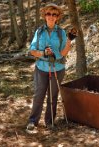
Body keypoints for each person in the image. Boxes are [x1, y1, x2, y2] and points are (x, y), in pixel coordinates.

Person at [26, 3, 77, 131]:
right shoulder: (39, 31)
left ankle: (49, 122)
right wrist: (43, 53)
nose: (51, 16)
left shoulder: (61, 33)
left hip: (57, 68)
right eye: (48, 14)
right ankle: (33, 121)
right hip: (41, 68)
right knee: (39, 95)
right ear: (45, 16)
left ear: (57, 17)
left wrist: (69, 40)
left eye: (54, 14)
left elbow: (64, 52)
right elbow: (32, 50)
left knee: (53, 96)